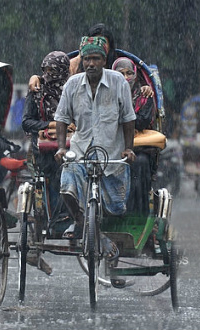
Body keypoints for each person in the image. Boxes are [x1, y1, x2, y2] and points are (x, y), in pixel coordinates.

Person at [53, 36, 136, 259]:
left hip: (111, 154)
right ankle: (83, 224)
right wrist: (61, 148)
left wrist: (129, 149)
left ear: (104, 60)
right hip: (81, 151)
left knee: (116, 207)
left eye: (96, 59)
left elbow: (128, 119)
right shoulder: (72, 84)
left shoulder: (118, 81)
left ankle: (98, 228)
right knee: (66, 186)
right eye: (87, 59)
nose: (91, 64)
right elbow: (61, 118)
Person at [21, 50, 71, 275]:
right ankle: (55, 221)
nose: (48, 75)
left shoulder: (73, 91)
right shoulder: (35, 93)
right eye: (45, 70)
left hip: (71, 146)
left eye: (53, 70)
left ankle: (70, 216)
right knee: (53, 174)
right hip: (42, 149)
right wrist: (49, 126)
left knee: (71, 170)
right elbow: (26, 122)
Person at [112, 56, 156, 219]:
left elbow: (143, 120)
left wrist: (119, 118)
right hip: (109, 145)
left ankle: (135, 215)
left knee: (140, 163)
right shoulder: (104, 93)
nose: (125, 78)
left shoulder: (144, 95)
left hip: (137, 147)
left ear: (136, 75)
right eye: (120, 73)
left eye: (129, 73)